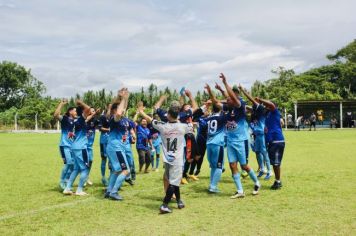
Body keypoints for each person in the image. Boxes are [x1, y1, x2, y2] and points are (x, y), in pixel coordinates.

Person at [138, 101, 193, 214]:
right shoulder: (182, 127)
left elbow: (150, 119)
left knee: (174, 180)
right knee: (174, 182)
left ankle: (178, 200)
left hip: (167, 158)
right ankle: (164, 205)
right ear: (177, 116)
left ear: (168, 115)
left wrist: (141, 112)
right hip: (177, 159)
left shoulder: (162, 126)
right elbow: (191, 124)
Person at [212, 73, 261, 198]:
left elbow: (232, 97)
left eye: (229, 99)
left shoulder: (240, 106)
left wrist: (225, 82)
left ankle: (256, 182)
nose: (227, 99)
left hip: (240, 141)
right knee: (232, 165)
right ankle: (240, 191)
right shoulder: (228, 109)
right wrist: (211, 92)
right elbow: (216, 103)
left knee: (244, 166)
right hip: (230, 142)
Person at [239, 85, 271, 180]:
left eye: (255, 101)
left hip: (261, 134)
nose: (253, 102)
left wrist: (244, 91)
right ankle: (262, 169)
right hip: (256, 135)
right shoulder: (255, 110)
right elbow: (247, 106)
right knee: (257, 152)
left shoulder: (260, 108)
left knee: (264, 152)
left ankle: (269, 171)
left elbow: (251, 100)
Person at [104, 88, 131, 201]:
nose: (123, 109)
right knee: (126, 170)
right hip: (116, 147)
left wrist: (125, 97)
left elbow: (122, 108)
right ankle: (114, 192)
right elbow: (119, 111)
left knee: (116, 170)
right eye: (120, 108)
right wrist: (123, 98)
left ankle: (109, 190)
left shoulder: (121, 118)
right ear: (115, 110)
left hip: (116, 147)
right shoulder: (115, 118)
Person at [200, 85, 226, 193]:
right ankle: (213, 187)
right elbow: (228, 104)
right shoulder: (222, 117)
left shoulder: (208, 118)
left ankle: (211, 185)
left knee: (213, 167)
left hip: (209, 143)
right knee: (219, 166)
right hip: (217, 143)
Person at [62, 100, 91, 196]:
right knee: (85, 169)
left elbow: (88, 112)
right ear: (83, 112)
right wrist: (81, 103)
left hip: (74, 146)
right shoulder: (80, 119)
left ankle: (67, 188)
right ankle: (79, 190)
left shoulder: (74, 121)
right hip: (81, 148)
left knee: (76, 169)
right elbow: (88, 108)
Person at [256, 97, 285, 190]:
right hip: (272, 141)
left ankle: (278, 182)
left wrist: (260, 100)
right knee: (275, 163)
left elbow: (271, 105)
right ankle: (278, 181)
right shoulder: (268, 116)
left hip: (277, 140)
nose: (265, 107)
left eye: (267, 105)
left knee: (276, 163)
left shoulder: (275, 112)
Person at [54, 99, 75, 190]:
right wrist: (61, 104)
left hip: (73, 146)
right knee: (68, 163)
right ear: (70, 111)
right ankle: (62, 181)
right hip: (65, 145)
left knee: (73, 164)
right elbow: (56, 115)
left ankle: (66, 180)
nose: (76, 112)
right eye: (75, 111)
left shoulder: (76, 121)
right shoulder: (65, 119)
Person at [134, 105, 154, 173]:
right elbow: (134, 122)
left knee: (149, 159)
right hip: (140, 146)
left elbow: (149, 138)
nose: (144, 122)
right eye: (143, 121)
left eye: (145, 121)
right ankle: (140, 169)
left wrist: (152, 146)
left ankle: (146, 169)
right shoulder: (138, 127)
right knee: (142, 158)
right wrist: (137, 113)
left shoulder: (148, 130)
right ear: (141, 122)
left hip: (147, 147)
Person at [85, 107, 100, 185]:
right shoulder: (85, 119)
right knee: (84, 162)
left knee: (90, 160)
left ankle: (86, 176)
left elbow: (102, 123)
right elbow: (87, 119)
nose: (94, 112)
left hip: (90, 146)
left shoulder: (95, 120)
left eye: (94, 110)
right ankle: (83, 178)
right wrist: (95, 113)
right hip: (83, 145)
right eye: (92, 111)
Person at [98, 105, 111, 186]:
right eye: (108, 107)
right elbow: (100, 128)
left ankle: (110, 177)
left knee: (111, 159)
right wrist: (109, 130)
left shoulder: (113, 117)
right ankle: (103, 177)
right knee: (104, 159)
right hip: (104, 140)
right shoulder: (102, 117)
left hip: (111, 140)